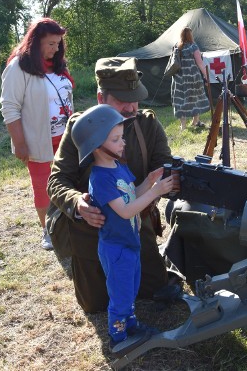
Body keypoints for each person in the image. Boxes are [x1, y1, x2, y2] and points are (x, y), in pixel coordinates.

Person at [47, 57, 174, 313]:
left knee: (153, 289)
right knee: (97, 304)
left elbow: (164, 166)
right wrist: (77, 204)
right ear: (100, 98)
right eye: (121, 100)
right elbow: (57, 180)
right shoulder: (80, 127)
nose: (130, 107)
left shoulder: (147, 124)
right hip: (92, 229)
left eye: (134, 98)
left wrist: (151, 191)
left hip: (134, 224)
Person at [71, 104, 173, 350]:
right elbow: (127, 211)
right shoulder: (100, 178)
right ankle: (119, 338)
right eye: (116, 139)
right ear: (97, 146)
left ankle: (130, 324)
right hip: (115, 248)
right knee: (120, 296)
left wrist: (148, 183)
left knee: (130, 289)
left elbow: (131, 196)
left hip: (129, 243)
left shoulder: (119, 167)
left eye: (122, 137)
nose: (123, 143)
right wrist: (157, 192)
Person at [0, 18, 74, 250]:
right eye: (51, 44)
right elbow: (9, 107)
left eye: (58, 44)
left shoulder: (59, 65)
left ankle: (69, 225)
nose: (56, 49)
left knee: (69, 182)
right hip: (38, 140)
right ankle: (48, 231)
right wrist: (19, 143)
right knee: (43, 187)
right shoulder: (18, 67)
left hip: (67, 138)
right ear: (36, 42)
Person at [171, 27, 209, 130]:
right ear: (190, 35)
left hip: (178, 78)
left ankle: (183, 125)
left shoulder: (176, 47)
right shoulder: (193, 47)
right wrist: (207, 77)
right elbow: (200, 64)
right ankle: (195, 121)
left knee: (180, 100)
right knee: (194, 98)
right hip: (192, 77)